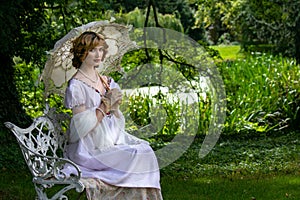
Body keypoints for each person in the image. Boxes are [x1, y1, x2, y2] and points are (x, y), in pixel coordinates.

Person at [62, 31, 163, 199]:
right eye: (93, 50)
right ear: (82, 52)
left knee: (145, 150)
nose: (98, 54)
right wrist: (105, 105)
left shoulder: (105, 80)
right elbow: (79, 129)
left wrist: (115, 108)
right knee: (138, 154)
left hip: (109, 141)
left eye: (101, 50)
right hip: (89, 149)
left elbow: (116, 123)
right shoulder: (76, 85)